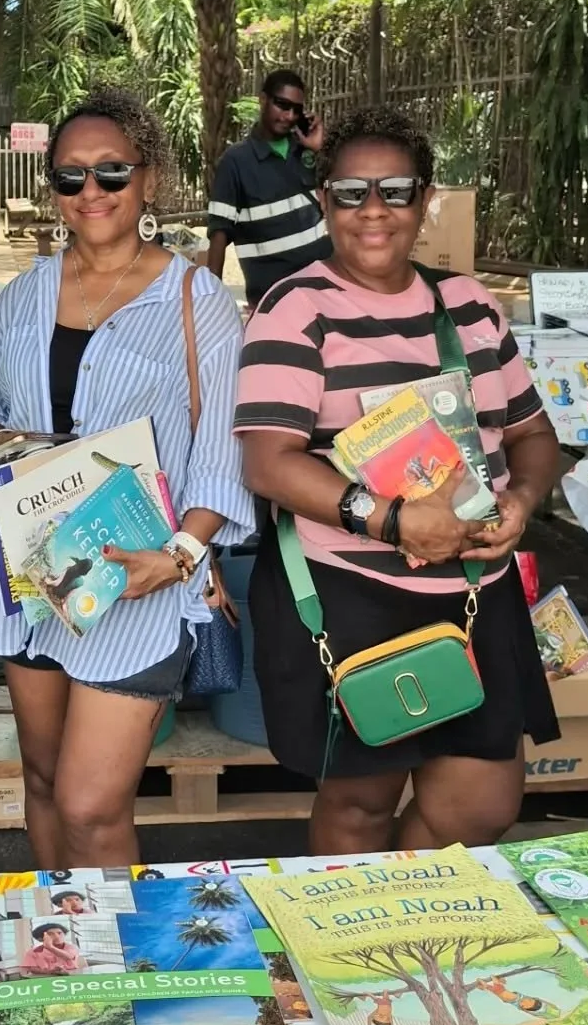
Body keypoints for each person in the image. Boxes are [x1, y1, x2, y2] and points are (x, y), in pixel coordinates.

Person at [235, 103, 560, 855]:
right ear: (325, 203)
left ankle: (411, 911)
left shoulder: (471, 305)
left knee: (482, 804)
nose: (372, 211)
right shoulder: (296, 310)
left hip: (478, 588)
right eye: (350, 193)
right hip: (351, 590)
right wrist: (391, 520)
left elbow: (533, 436)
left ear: (426, 200)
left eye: (394, 190)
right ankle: (355, 953)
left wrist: (522, 498)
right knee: (358, 805)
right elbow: (269, 463)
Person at [0, 86, 254, 868]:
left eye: (111, 173)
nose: (91, 193)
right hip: (31, 575)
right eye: (70, 176)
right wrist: (1, 439)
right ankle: (67, 964)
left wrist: (181, 555)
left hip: (139, 583)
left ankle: (115, 958)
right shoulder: (26, 295)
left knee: (92, 804)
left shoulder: (198, 303)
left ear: (147, 179)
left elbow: (224, 455)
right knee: (44, 782)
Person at [206, 68, 330, 307]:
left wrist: (319, 149)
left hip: (324, 290)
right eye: (282, 105)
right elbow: (219, 234)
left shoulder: (307, 151)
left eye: (297, 109)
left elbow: (344, 192)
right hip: (274, 302)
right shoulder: (236, 162)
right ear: (263, 100)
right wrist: (210, 302)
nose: (289, 116)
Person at [18, 922, 88, 976]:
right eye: (50, 934)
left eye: (60, 933)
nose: (57, 936)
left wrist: (50, 947)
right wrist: (50, 972)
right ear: (40, 938)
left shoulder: (71, 947)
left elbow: (69, 956)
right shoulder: (33, 952)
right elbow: (32, 969)